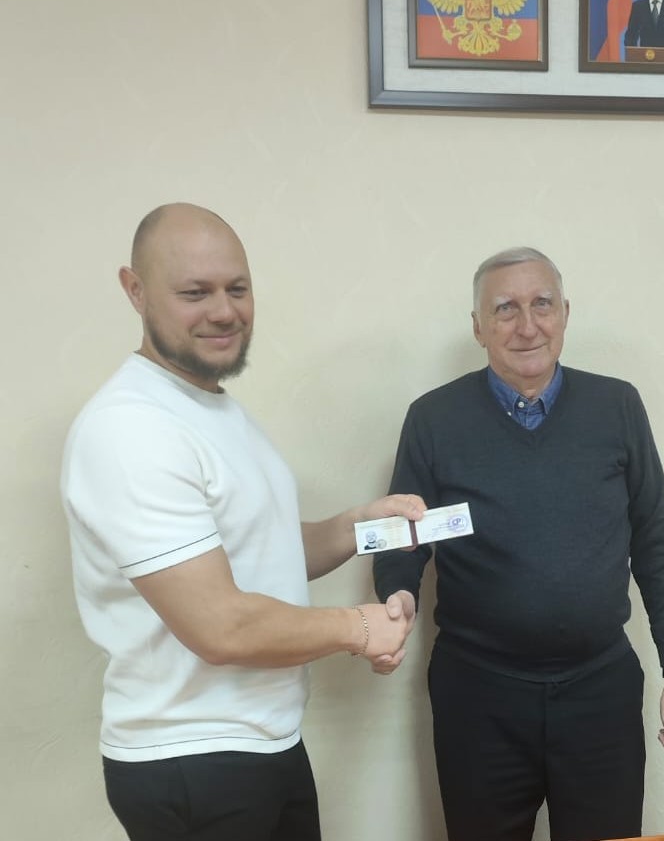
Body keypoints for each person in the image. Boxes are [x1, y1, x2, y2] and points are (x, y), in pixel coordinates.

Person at [61, 203, 424, 841]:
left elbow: (260, 551)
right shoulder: (131, 428)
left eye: (237, 288)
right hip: (192, 760)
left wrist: (359, 525)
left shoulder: (211, 407)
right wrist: (359, 628)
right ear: (135, 290)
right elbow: (220, 624)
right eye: (195, 293)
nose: (224, 311)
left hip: (263, 743)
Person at [373, 247, 664, 841]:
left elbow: (656, 541)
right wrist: (397, 597)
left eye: (542, 304)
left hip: (600, 690)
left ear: (565, 314)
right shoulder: (433, 418)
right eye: (505, 309)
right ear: (478, 326)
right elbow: (403, 535)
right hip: (477, 695)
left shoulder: (617, 406)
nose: (527, 325)